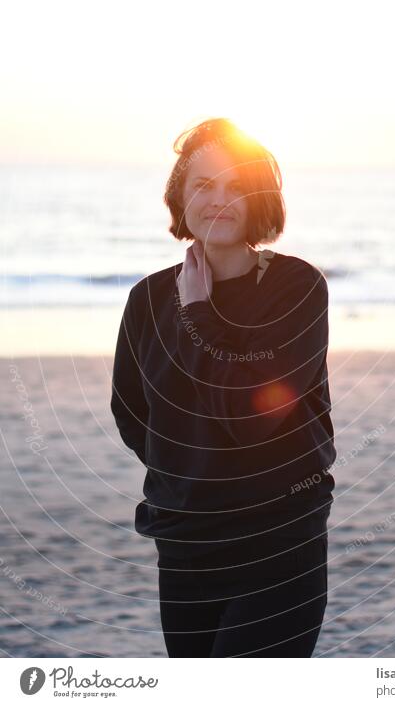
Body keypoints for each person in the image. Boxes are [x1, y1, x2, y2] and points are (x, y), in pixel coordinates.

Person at [110, 117, 337, 657]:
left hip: (279, 537)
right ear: (180, 197)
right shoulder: (146, 298)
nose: (219, 200)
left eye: (238, 186)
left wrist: (197, 312)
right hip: (185, 539)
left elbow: (250, 415)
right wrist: (192, 471)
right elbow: (132, 410)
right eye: (203, 185)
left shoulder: (296, 287)